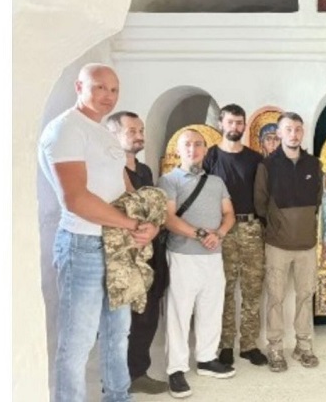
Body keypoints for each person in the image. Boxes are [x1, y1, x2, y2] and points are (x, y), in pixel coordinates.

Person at [38, 63, 159, 402]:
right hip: (84, 244)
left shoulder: (103, 133)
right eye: (99, 87)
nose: (108, 95)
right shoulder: (66, 129)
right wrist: (130, 225)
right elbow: (76, 199)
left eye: (114, 89)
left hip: (117, 246)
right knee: (77, 343)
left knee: (117, 334)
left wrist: (145, 224)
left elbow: (125, 188)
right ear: (79, 87)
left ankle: (118, 396)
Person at [158, 129, 236, 398]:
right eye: (188, 145)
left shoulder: (216, 182)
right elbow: (168, 218)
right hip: (183, 256)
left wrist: (220, 234)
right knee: (179, 313)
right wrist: (201, 234)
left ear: (205, 149)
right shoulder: (168, 180)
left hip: (213, 256)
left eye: (198, 144)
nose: (193, 149)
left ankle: (206, 358)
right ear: (179, 150)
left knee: (211, 308)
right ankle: (176, 369)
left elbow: (229, 213)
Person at [254, 112, 323, 372]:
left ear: (302, 132)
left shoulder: (314, 164)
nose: (293, 134)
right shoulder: (267, 165)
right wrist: (278, 225)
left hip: (307, 245)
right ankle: (275, 347)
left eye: (298, 129)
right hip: (277, 245)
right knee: (275, 297)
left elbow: (318, 200)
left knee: (305, 295)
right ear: (279, 133)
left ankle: (303, 346)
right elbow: (260, 204)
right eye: (288, 129)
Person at [106, 110, 169, 394]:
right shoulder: (108, 170)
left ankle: (138, 372)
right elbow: (126, 208)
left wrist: (153, 227)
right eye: (131, 131)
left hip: (150, 252)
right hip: (124, 256)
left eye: (141, 130)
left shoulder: (144, 171)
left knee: (148, 316)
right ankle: (116, 381)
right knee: (122, 321)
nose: (139, 135)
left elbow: (153, 211)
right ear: (113, 135)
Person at [202, 104, 269, 367]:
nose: (235, 127)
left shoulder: (255, 159)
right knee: (225, 288)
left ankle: (249, 345)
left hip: (251, 228)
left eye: (239, 122)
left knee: (252, 288)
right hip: (222, 230)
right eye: (230, 122)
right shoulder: (210, 156)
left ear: (244, 125)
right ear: (221, 124)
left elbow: (264, 195)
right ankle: (226, 344)